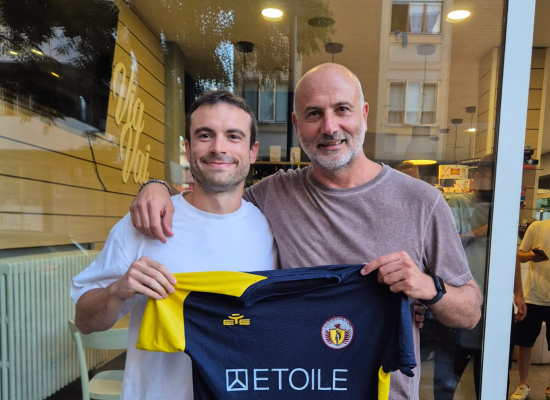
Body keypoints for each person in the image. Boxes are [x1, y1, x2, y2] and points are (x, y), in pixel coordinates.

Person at [131, 63, 482, 399]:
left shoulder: (422, 201)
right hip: (294, 387)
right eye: (314, 114)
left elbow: (470, 313)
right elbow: (212, 197)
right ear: (298, 124)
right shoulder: (272, 194)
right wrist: (156, 186)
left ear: (364, 114)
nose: (329, 127)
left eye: (342, 109)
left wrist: (427, 288)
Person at [70, 90, 278, 400]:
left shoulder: (270, 227)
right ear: (188, 148)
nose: (218, 147)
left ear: (252, 151)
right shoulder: (144, 222)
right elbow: (85, 321)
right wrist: (118, 290)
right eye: (205, 135)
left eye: (233, 136)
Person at [433, 154, 494, 399]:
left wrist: (518, 294)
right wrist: (480, 232)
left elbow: (508, 255)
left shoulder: (501, 205)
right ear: (478, 177)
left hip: (494, 303)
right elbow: (446, 246)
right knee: (450, 373)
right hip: (460, 299)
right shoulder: (459, 203)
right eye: (491, 176)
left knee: (490, 372)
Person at [510, 218, 550, 400]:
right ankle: (523, 384)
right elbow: (518, 255)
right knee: (524, 343)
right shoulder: (538, 226)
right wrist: (531, 256)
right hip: (533, 296)